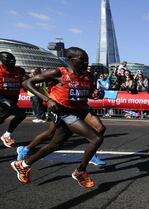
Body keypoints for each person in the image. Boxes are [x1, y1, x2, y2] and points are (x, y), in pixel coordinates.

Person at [11, 47, 104, 188]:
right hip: (64, 111)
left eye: (87, 59)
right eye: (82, 59)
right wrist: (47, 99)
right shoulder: (58, 72)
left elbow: (89, 93)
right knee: (96, 138)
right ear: (71, 60)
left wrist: (96, 95)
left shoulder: (88, 75)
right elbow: (27, 83)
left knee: (59, 143)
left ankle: (23, 164)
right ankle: (80, 171)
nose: (86, 62)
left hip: (81, 109)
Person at [0, 52, 26, 147]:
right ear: (2, 61)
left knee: (2, 118)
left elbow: (26, 81)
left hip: (14, 97)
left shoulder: (20, 70)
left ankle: (6, 135)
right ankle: (7, 135)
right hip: (2, 97)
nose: (12, 61)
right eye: (8, 59)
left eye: (13, 59)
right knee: (21, 114)